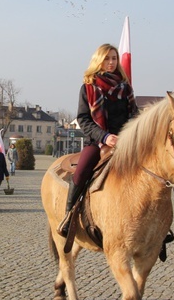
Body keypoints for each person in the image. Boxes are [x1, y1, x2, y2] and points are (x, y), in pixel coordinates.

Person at [59, 43, 138, 235]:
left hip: (126, 142)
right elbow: (83, 119)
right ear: (99, 60)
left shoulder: (125, 88)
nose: (111, 62)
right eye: (107, 58)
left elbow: (135, 115)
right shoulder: (88, 87)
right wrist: (104, 136)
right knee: (81, 172)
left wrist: (129, 136)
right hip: (98, 142)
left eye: (114, 58)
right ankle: (69, 215)